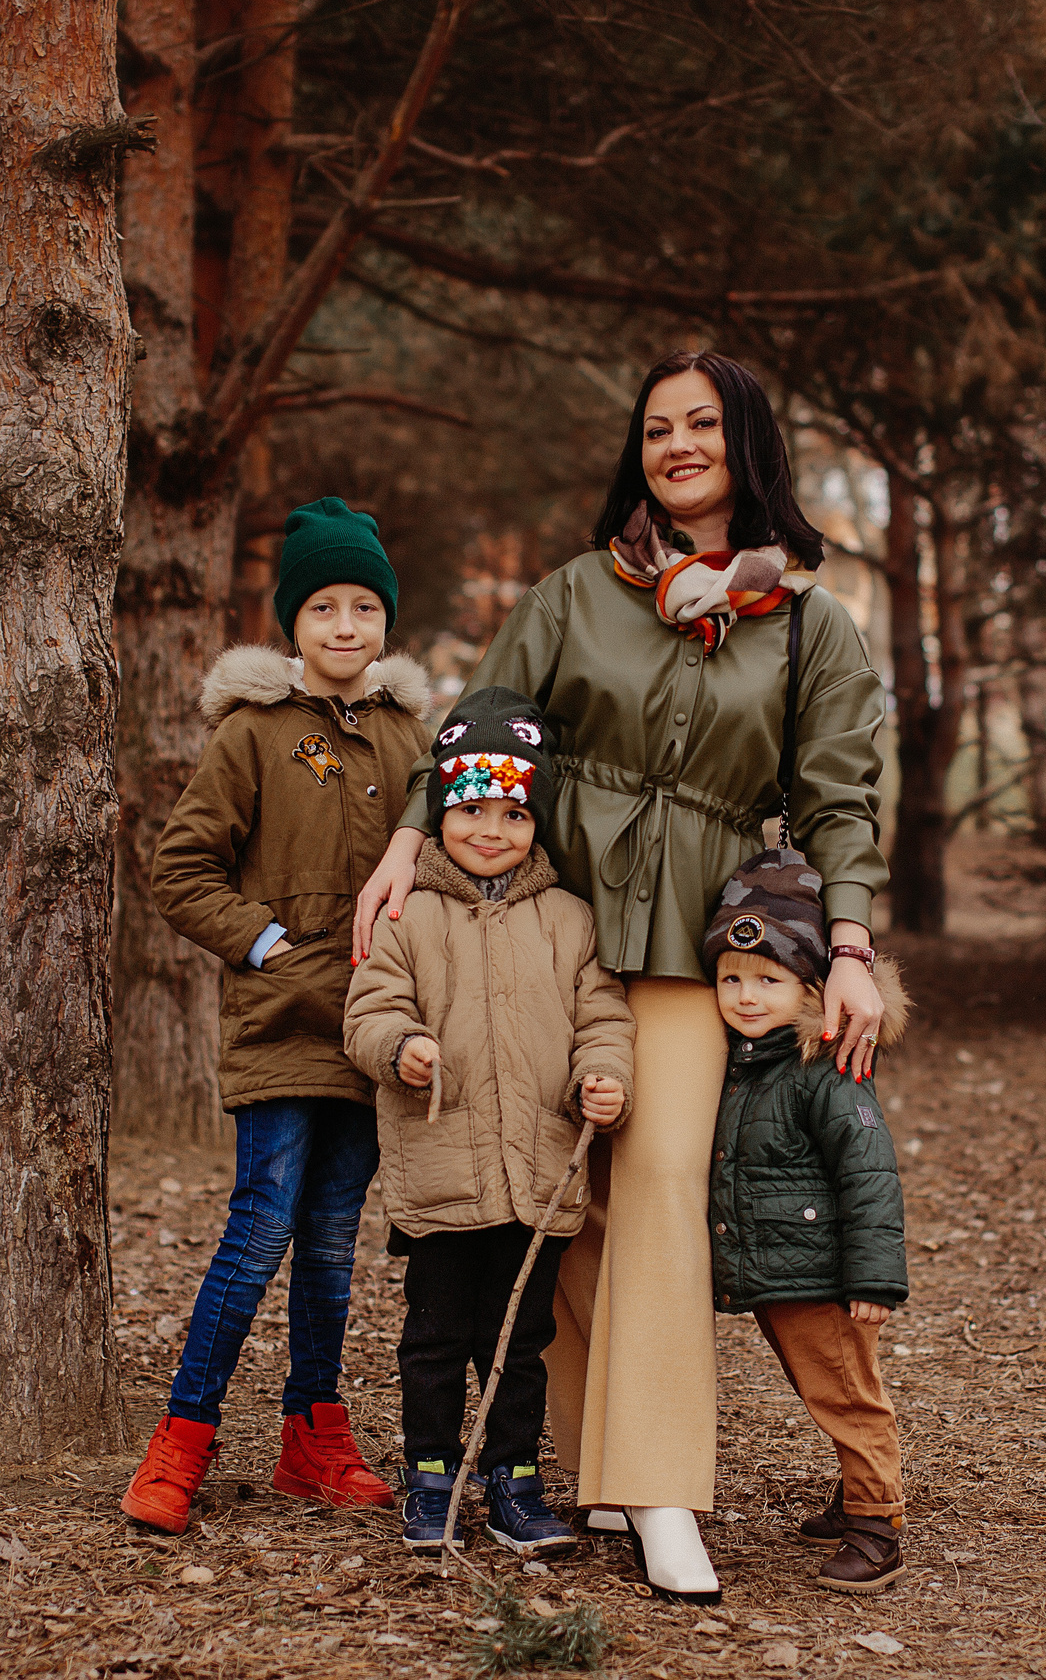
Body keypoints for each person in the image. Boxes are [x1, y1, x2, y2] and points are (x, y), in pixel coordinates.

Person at [354, 351, 890, 1601]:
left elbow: (839, 798)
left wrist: (850, 945)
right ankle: (586, 1467)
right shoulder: (576, 593)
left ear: (745, 443)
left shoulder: (809, 622)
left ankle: (658, 1488)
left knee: (651, 1191)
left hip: (695, 944)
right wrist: (404, 843)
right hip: (539, 926)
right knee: (562, 1200)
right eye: (657, 428)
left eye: (702, 424)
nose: (677, 444)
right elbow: (483, 722)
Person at [119, 497, 431, 1536]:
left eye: (363, 607)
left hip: (370, 1031)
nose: (345, 627)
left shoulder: (407, 738)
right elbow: (179, 867)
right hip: (278, 1023)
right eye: (323, 609)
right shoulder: (251, 735)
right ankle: (181, 1441)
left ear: (385, 619)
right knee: (259, 1231)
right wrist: (265, 944)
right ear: (291, 624)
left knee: (334, 1243)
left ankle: (314, 1434)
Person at [343, 686, 636, 1555]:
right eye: (471, 807)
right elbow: (367, 1010)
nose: (490, 828)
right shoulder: (410, 914)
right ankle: (431, 1478)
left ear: (537, 820)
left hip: (539, 1172)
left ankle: (514, 1481)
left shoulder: (569, 919)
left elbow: (603, 1017)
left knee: (522, 1340)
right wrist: (401, 1047)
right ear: (440, 812)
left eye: (513, 811)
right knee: (435, 1337)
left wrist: (604, 1075)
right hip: (442, 1166)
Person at [700, 848, 911, 1593]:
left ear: (809, 986)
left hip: (823, 1270)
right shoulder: (741, 1060)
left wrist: (875, 1277)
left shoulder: (823, 1067)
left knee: (846, 1387)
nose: (747, 995)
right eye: (731, 978)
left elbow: (868, 1169)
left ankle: (876, 1521)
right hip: (781, 1267)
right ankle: (853, 1489)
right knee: (823, 1383)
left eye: (768, 980)